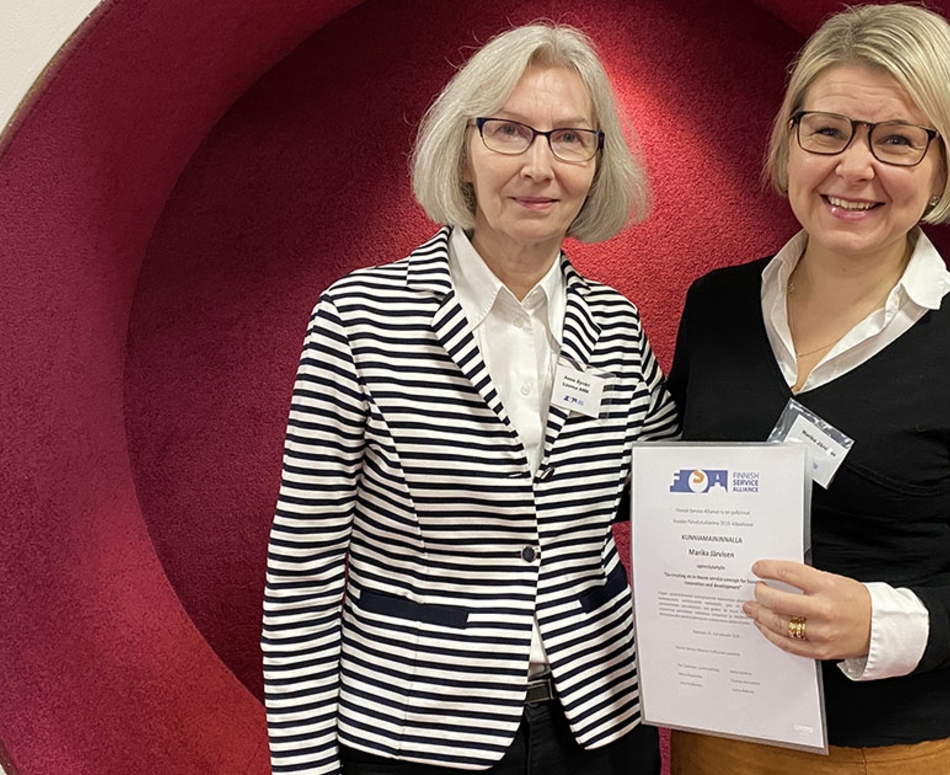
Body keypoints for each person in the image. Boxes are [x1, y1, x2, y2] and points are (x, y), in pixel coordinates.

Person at [666, 5, 950, 774]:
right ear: (789, 142)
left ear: (942, 165)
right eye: (827, 131)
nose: (853, 168)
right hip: (714, 735)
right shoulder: (717, 306)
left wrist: (878, 621)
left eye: (895, 140)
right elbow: (664, 482)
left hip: (890, 751)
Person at [261, 24, 677, 775]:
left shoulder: (617, 324)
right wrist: (304, 765)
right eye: (509, 131)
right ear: (463, 149)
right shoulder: (360, 317)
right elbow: (304, 568)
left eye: (570, 138)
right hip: (415, 731)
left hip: (603, 723)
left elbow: (672, 498)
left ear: (596, 163)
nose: (538, 166)